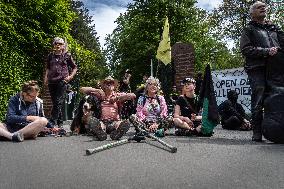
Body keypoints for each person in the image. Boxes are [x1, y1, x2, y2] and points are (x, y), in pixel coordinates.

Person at [240, 1, 283, 142]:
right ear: (252, 13)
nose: (263, 8)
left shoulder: (273, 28)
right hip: (256, 68)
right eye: (259, 7)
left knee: (279, 96)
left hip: (276, 69)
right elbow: (245, 49)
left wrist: (277, 28)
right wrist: (266, 51)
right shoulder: (248, 29)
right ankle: (257, 132)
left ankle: (278, 130)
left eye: (264, 7)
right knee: (259, 96)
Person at [80, 76, 136, 141]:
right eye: (107, 83)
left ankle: (116, 134)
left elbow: (133, 95)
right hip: (102, 122)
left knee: (121, 123)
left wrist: (117, 98)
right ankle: (101, 133)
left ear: (114, 86)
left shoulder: (117, 94)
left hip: (115, 122)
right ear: (104, 85)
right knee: (96, 123)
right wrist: (97, 90)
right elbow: (82, 89)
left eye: (111, 83)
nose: (109, 84)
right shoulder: (100, 95)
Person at [44, 37, 77, 127]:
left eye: (60, 44)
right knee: (55, 102)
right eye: (56, 43)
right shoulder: (50, 56)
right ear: (54, 45)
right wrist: (45, 78)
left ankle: (52, 121)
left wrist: (70, 77)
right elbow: (48, 68)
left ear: (63, 46)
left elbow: (75, 67)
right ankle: (60, 122)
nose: (58, 45)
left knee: (58, 101)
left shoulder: (67, 55)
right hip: (51, 82)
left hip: (62, 81)